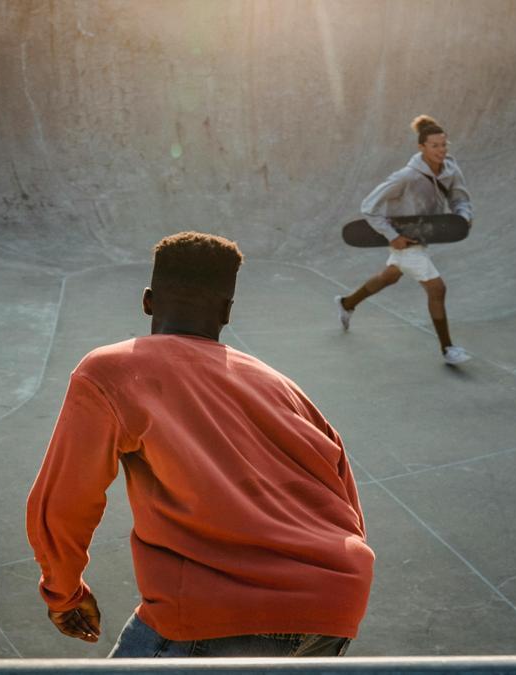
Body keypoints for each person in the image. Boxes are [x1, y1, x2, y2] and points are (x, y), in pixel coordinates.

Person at [26, 231, 374, 658]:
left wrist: (64, 593)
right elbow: (347, 501)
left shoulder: (113, 370)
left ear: (147, 301)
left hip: (217, 610)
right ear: (227, 312)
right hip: (335, 601)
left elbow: (64, 501)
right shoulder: (282, 387)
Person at [336, 114, 474, 365]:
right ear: (421, 148)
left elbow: (459, 197)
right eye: (434, 146)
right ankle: (447, 349)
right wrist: (393, 236)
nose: (441, 151)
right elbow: (368, 206)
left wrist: (463, 215)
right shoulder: (406, 176)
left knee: (390, 275)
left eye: (444, 145)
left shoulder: (451, 168)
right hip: (406, 238)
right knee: (437, 288)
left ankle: (347, 303)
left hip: (421, 236)